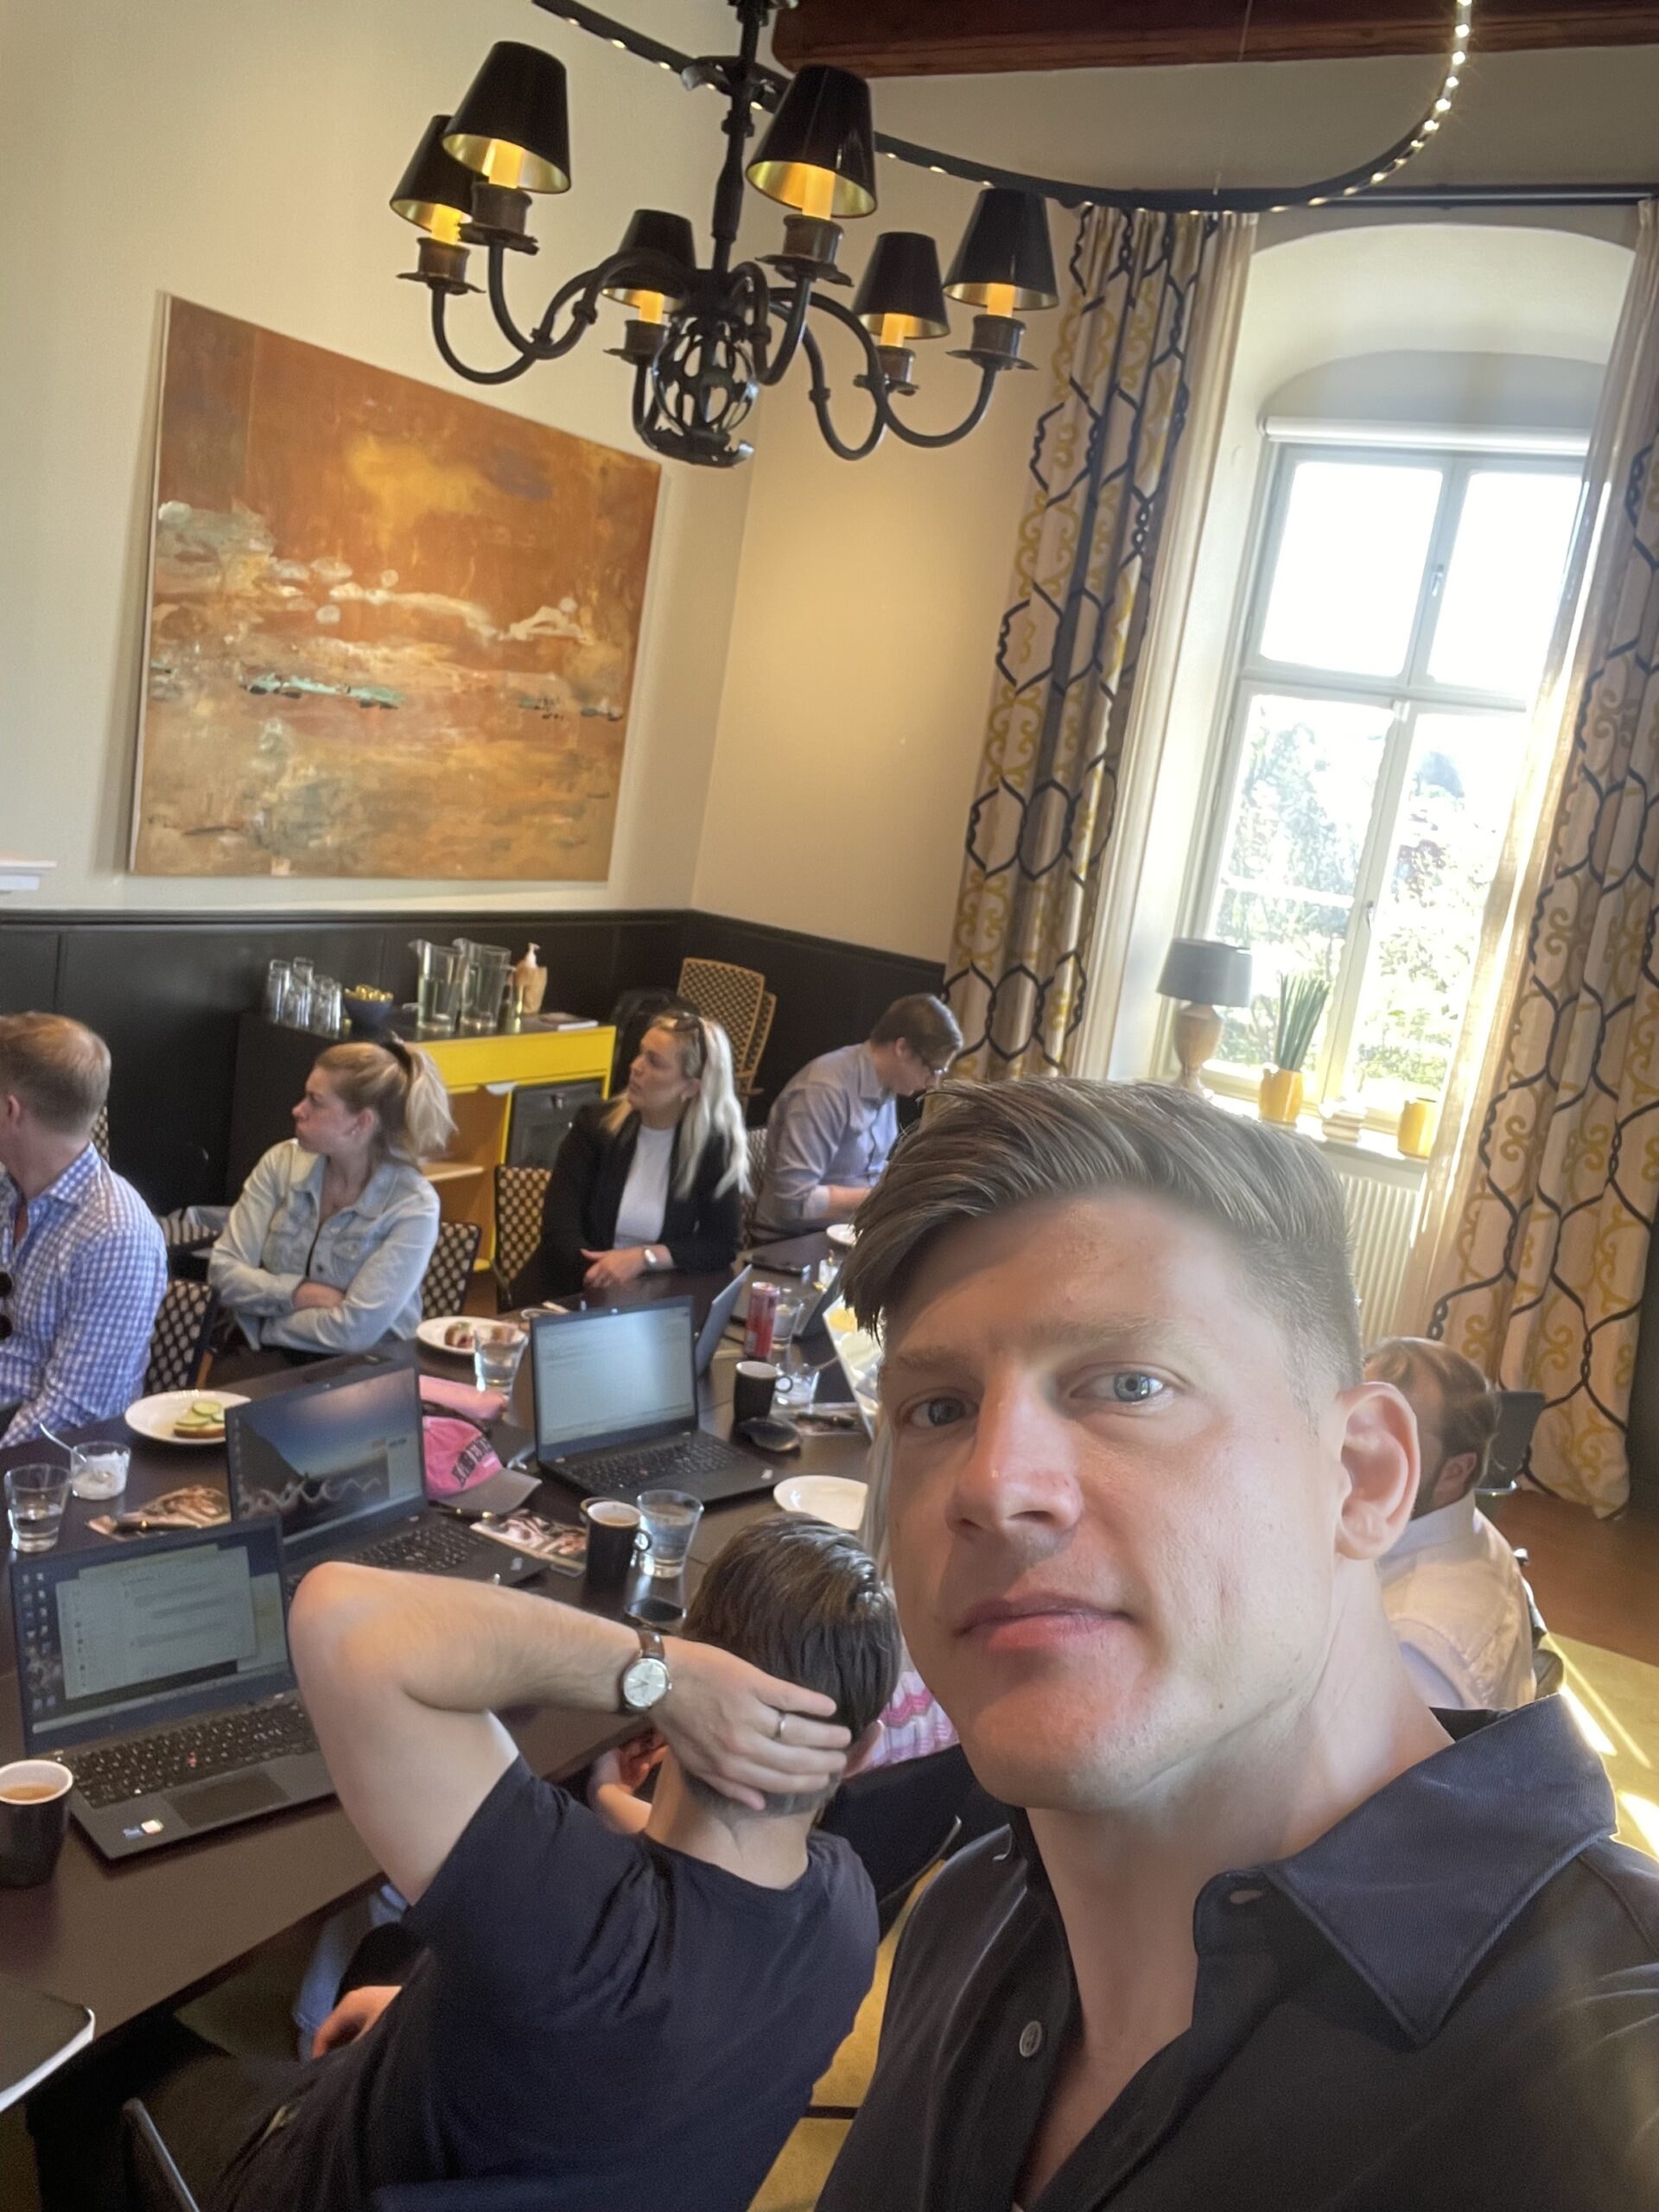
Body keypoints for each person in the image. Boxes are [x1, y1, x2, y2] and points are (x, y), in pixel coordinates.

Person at [817, 1078, 1659, 2211]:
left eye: (1131, 1384)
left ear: (1361, 1476)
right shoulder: (963, 1918)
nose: (994, 1483)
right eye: (939, 1409)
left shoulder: (1609, 2079)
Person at [31, 1519, 899, 2212]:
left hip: (293, 2176)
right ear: (857, 1754)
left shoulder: (570, 1922)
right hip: (525, 2123)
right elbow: (714, 1889)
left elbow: (340, 1619)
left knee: (88, 2063)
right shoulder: (846, 1904)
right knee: (394, 1954)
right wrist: (610, 1799)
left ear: (696, 1696)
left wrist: (657, 1671)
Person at [208, 1040, 451, 1362]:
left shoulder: (413, 1205)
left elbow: (354, 1333)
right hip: (262, 1360)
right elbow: (222, 1275)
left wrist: (261, 1321)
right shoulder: (281, 1162)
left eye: (315, 1101)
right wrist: (300, 1293)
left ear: (360, 1123)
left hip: (364, 1372)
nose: (298, 1110)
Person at [0, 1013, 166, 1447]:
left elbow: (73, 1411)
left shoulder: (116, 1233)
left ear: (11, 1111)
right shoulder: (8, 1186)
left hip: (45, 1460)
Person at [520, 1008, 747, 1301]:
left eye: (654, 1062)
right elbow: (559, 1232)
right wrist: (606, 1273)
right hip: (570, 1291)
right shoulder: (595, 1126)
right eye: (641, 1053)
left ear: (690, 1087)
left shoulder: (712, 1147)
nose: (636, 1067)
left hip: (650, 1300)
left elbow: (722, 1243)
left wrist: (644, 1258)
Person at [1365, 1335, 1535, 1711]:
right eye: (1352, 1418)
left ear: (1454, 1472)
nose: (1350, 1448)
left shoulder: (1413, 1646)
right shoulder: (1469, 1527)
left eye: (1388, 1439)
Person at [753, 994, 962, 1238]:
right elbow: (792, 1201)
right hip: (790, 1241)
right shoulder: (825, 1090)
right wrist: (887, 1195)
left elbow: (865, 1172)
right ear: (902, 1049)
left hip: (847, 1231)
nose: (933, 1083)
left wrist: (913, 1179)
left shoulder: (887, 1084)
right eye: (933, 1069)